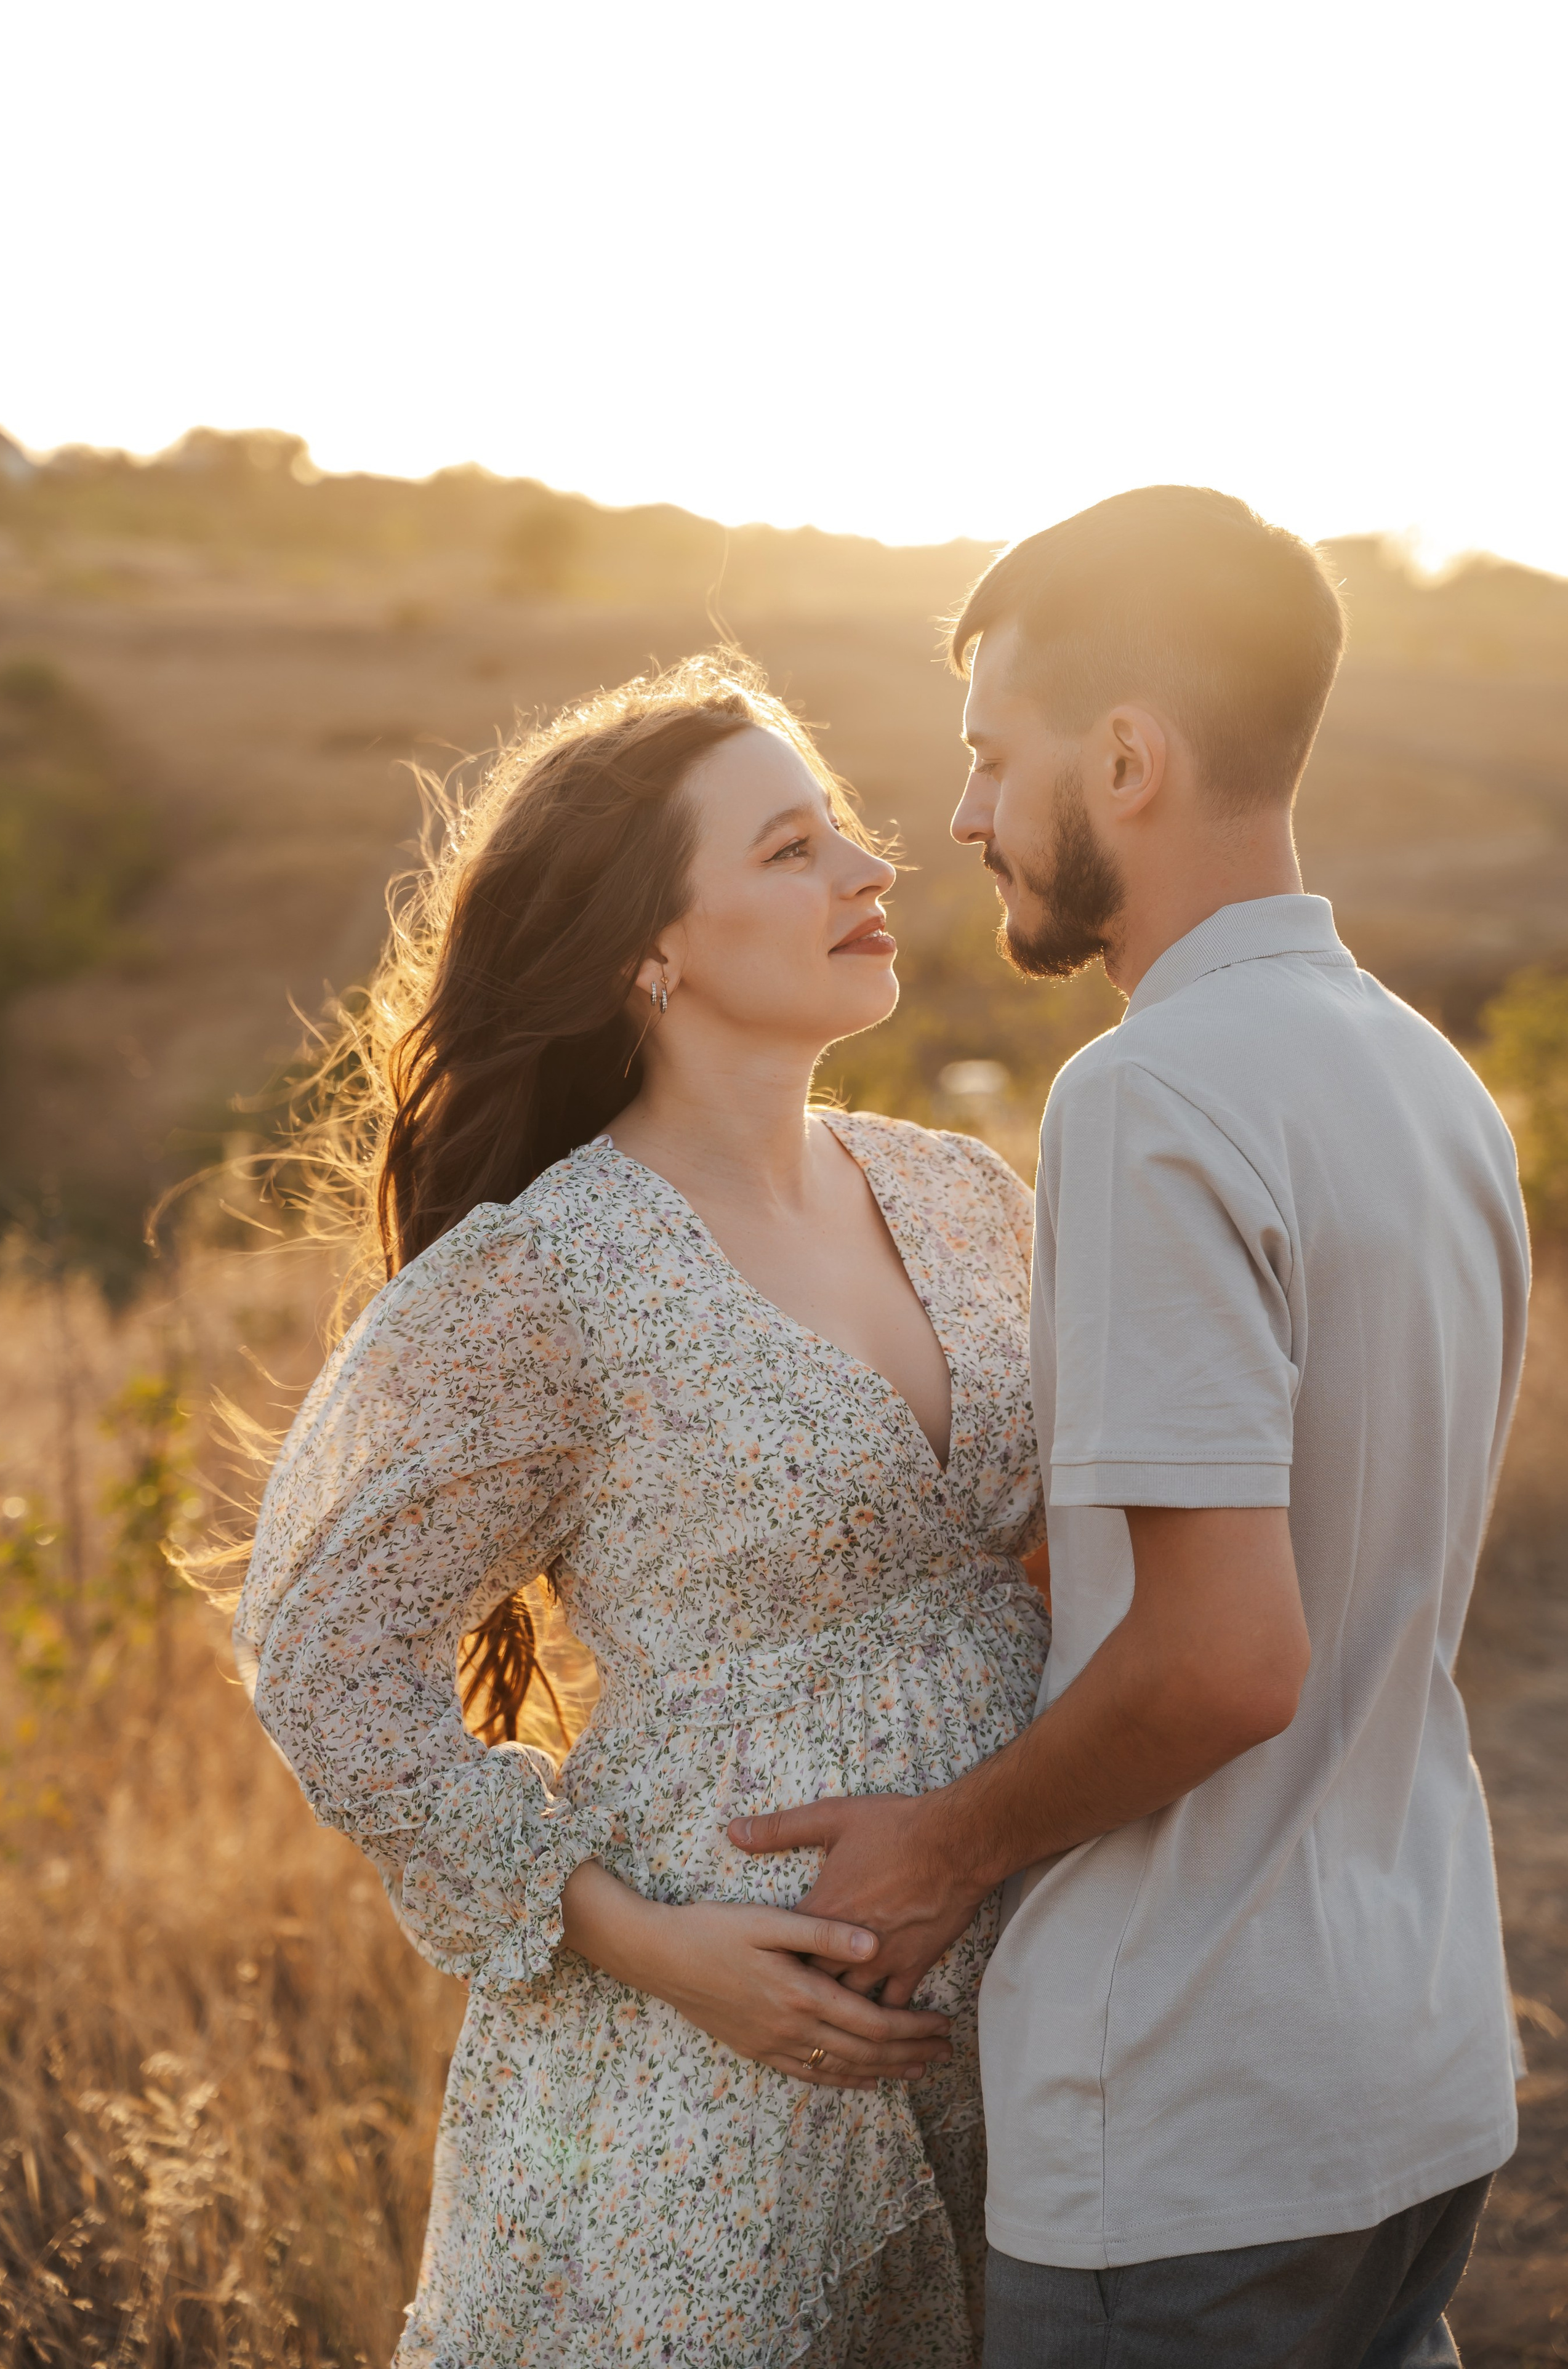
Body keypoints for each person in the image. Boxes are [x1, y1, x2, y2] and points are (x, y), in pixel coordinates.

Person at [733, 489, 1530, 2367]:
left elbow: (1224, 1661)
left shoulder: (1147, 1093)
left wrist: (942, 1846)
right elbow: (1329, 1537)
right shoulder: (1426, 1080)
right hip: (1411, 2075)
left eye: (994, 760)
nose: (963, 818)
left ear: (1126, 757)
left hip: (1193, 2115)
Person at [233, 653, 1050, 2368]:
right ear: (647, 953)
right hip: (713, 2055)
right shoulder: (545, 1276)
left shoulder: (964, 1193)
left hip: (1019, 2000)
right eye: (789, 851)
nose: (870, 873)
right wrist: (651, 1947)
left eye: (843, 833)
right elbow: (321, 1658)